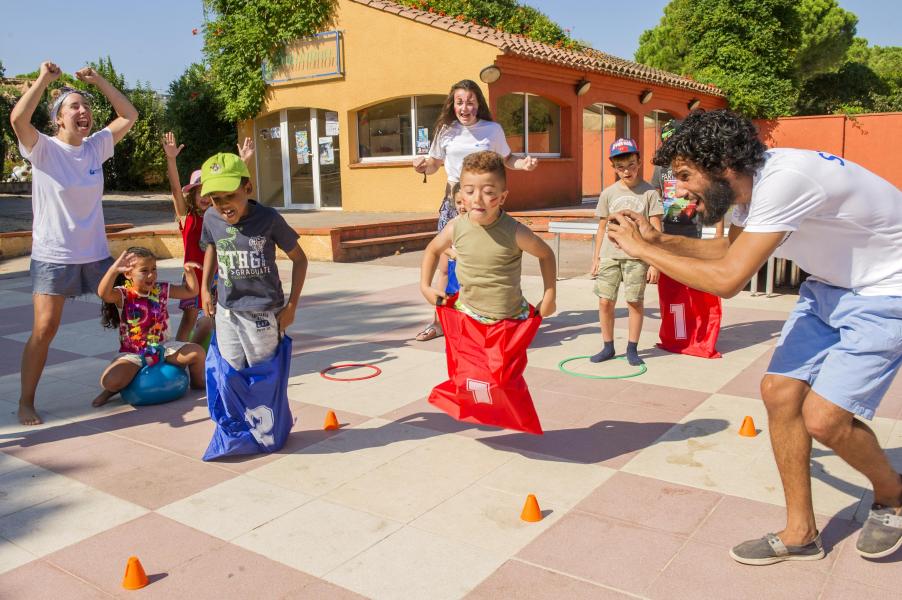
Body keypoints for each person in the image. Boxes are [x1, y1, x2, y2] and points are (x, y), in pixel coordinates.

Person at [605, 109, 902, 564]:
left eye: (685, 175)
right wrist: (658, 240)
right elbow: (728, 249)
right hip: (829, 287)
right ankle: (801, 532)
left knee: (824, 420)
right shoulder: (748, 183)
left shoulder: (785, 181)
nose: (679, 187)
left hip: (885, 291)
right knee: (779, 393)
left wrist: (644, 250)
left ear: (722, 164)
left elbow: (727, 278)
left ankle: (893, 494)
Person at [9, 61, 138, 425]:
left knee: (133, 310)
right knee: (45, 329)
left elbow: (129, 114)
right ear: (58, 119)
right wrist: (42, 79)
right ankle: (26, 400)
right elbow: (19, 119)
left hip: (96, 255)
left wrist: (99, 80)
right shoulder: (43, 149)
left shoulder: (96, 147)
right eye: (74, 107)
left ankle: (129, 377)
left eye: (86, 106)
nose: (84, 112)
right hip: (54, 256)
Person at [411, 79, 539, 341]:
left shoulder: (491, 130)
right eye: (459, 102)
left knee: (488, 263)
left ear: (478, 103)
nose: (464, 107)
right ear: (453, 104)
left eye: (470, 101)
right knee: (447, 266)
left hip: (483, 205)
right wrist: (422, 166)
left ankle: (495, 318)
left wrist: (523, 163)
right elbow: (435, 163)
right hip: (453, 202)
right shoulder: (445, 130)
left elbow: (507, 159)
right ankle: (440, 322)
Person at [199, 152, 309, 370]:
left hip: (264, 312)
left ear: (247, 189)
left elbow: (300, 259)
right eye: (216, 199)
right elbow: (212, 245)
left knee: (264, 375)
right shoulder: (211, 217)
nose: (223, 205)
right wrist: (204, 288)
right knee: (231, 373)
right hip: (226, 311)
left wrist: (292, 306)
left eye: (229, 195)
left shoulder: (269, 219)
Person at [420, 151, 556, 322]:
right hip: (467, 317)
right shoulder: (455, 227)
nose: (477, 199)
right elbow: (432, 250)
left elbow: (546, 255)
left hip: (507, 322)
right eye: (469, 191)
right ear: (461, 195)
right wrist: (425, 286)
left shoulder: (515, 232)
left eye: (488, 192)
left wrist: (550, 295)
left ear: (502, 197)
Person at [161, 131, 255, 344]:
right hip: (195, 276)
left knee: (219, 318)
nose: (204, 197)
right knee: (190, 317)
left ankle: (214, 353)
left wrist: (243, 162)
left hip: (220, 275)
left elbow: (236, 190)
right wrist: (171, 159)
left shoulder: (222, 215)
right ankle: (181, 355)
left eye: (209, 192)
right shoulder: (188, 217)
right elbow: (176, 190)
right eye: (199, 192)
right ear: (192, 196)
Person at [93, 248, 206, 407]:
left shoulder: (161, 289)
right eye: (144, 271)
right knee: (110, 381)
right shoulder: (123, 294)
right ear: (128, 274)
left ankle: (197, 382)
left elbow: (191, 291)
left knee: (197, 353)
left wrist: (188, 272)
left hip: (163, 348)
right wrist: (113, 270)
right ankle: (111, 391)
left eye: (154, 269)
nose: (151, 275)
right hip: (133, 353)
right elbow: (103, 293)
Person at [590, 138, 663, 367]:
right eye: (620, 167)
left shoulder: (649, 193)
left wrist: (654, 262)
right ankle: (608, 346)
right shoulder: (608, 193)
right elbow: (602, 227)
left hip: (637, 257)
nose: (626, 171)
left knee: (634, 301)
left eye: (631, 165)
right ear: (613, 167)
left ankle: (632, 347)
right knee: (605, 302)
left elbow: (656, 229)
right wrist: (597, 258)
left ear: (639, 162)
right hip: (610, 255)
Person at [442, 183, 466, 296]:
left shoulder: (480, 223)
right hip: (456, 266)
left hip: (474, 268)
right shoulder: (452, 224)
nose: (462, 206)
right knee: (455, 298)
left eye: (465, 202)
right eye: (458, 203)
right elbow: (442, 246)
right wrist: (454, 254)